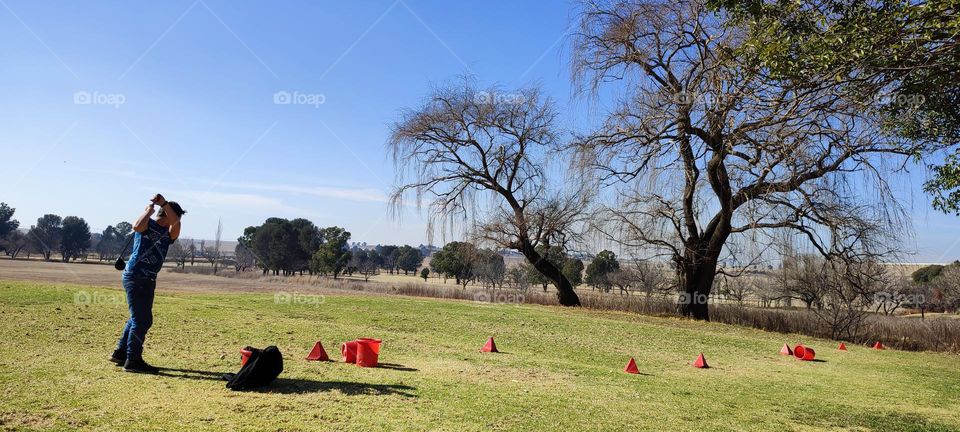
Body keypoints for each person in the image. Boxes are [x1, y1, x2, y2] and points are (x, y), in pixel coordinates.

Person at [110, 194, 185, 373]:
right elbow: (136, 226)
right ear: (166, 215)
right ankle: (133, 360)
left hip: (148, 279)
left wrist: (165, 204)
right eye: (176, 216)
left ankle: (120, 353)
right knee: (142, 320)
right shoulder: (147, 224)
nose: (177, 220)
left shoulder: (169, 234)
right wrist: (150, 210)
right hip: (136, 276)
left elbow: (176, 225)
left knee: (138, 318)